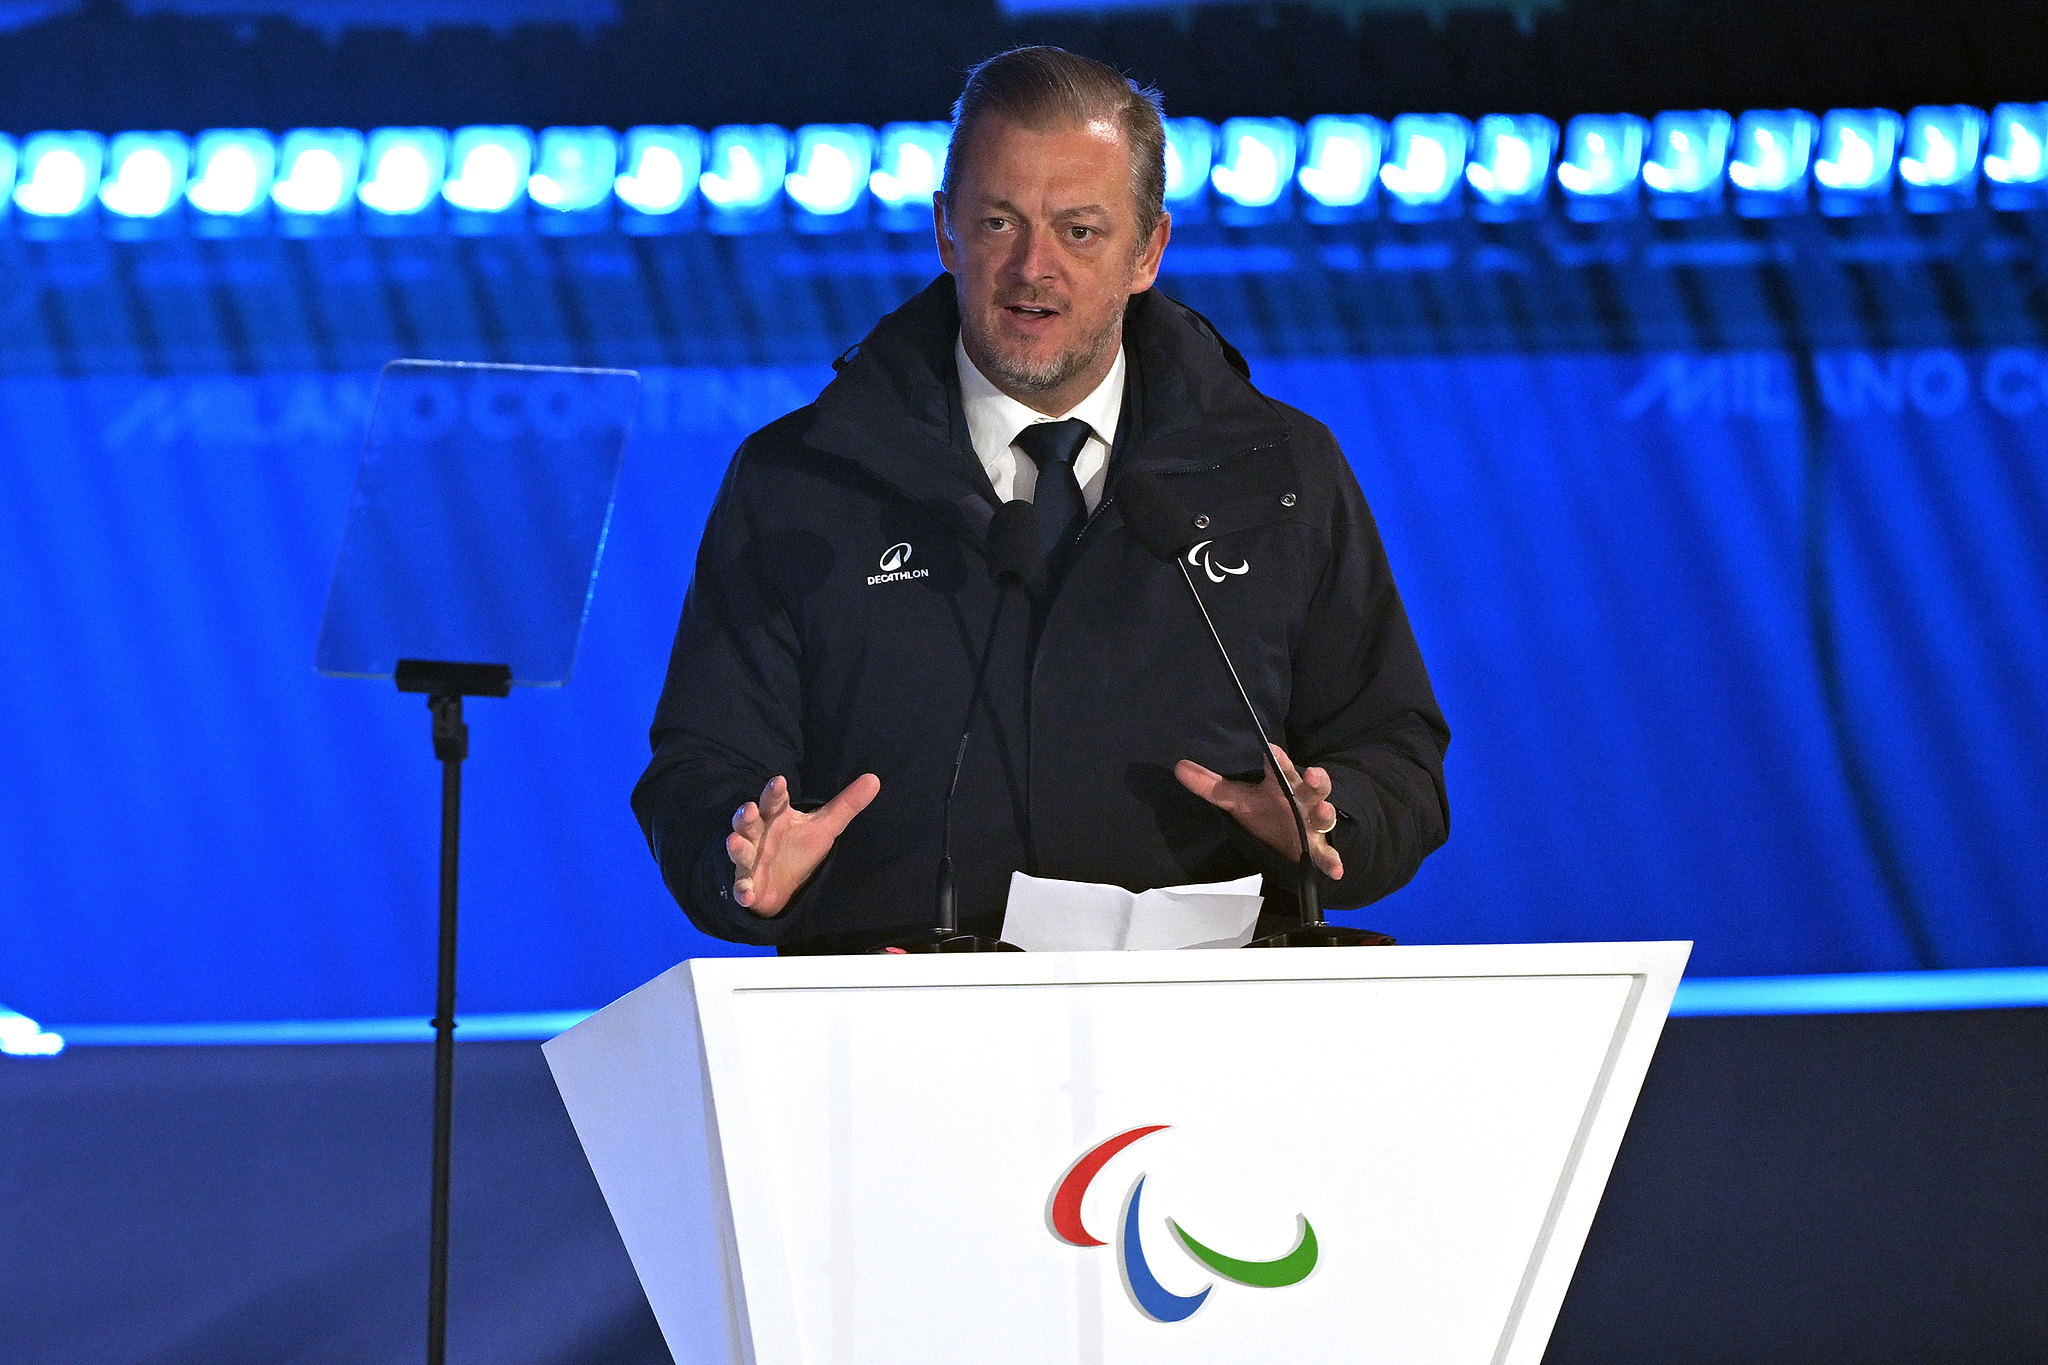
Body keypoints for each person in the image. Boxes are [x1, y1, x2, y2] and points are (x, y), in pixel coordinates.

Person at [633, 46, 1449, 952]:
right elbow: (698, 771)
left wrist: (1339, 823)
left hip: (1209, 1040)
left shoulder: (1278, 469)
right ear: (945, 231)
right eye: (997, 222)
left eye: (1080, 230)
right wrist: (738, 856)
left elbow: (1397, 753)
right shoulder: (801, 479)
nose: (1032, 268)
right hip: (894, 1039)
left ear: (1148, 250)